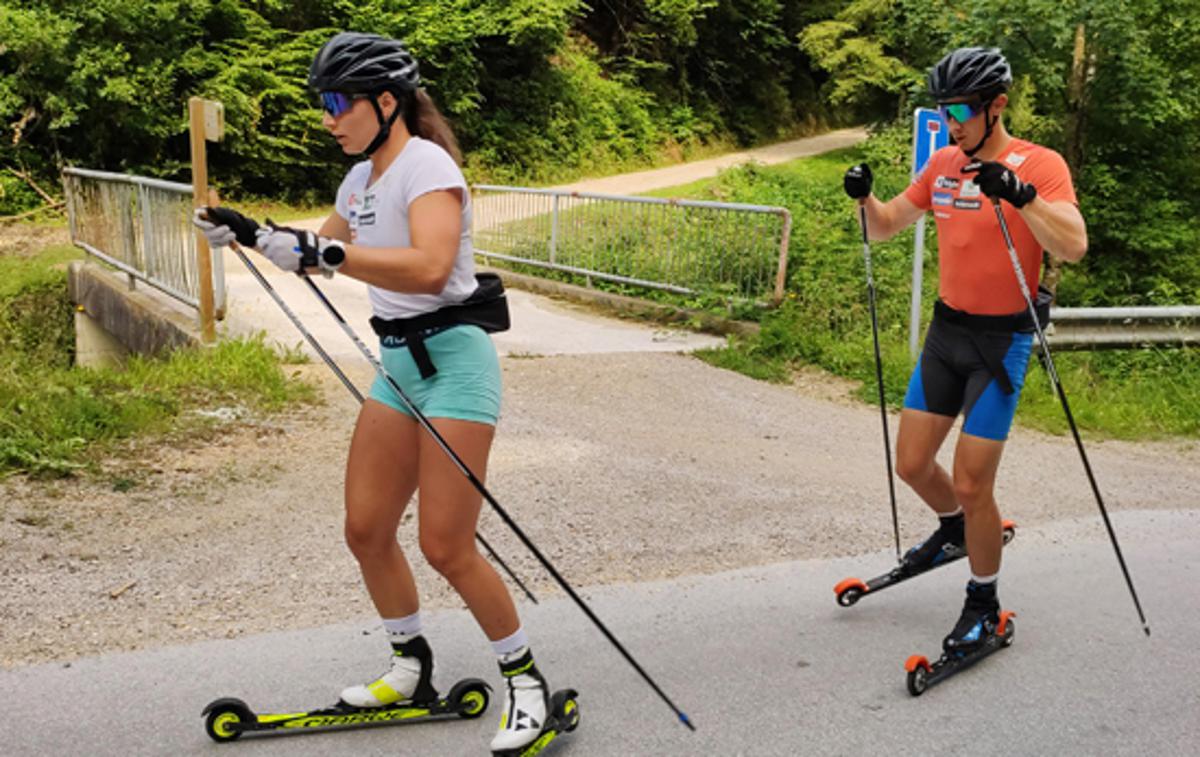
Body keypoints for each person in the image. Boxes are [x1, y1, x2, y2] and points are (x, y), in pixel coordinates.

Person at [194, 31, 553, 755]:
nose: (328, 117)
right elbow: (319, 254)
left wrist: (325, 251)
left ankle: (526, 682)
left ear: (386, 102)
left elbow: (426, 267)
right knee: (365, 527)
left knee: (447, 544)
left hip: (454, 361)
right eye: (323, 104)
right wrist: (248, 234)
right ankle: (410, 666)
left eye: (337, 102)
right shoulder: (358, 181)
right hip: (397, 367)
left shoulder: (429, 167)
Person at [842, 47, 1088, 653]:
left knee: (975, 483)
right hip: (947, 335)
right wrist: (864, 199)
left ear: (995, 106)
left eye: (960, 110)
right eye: (944, 110)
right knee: (913, 465)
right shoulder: (945, 163)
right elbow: (885, 224)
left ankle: (984, 604)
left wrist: (1023, 196)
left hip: (1001, 344)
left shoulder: (1041, 163)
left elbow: (1075, 244)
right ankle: (956, 531)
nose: (951, 123)